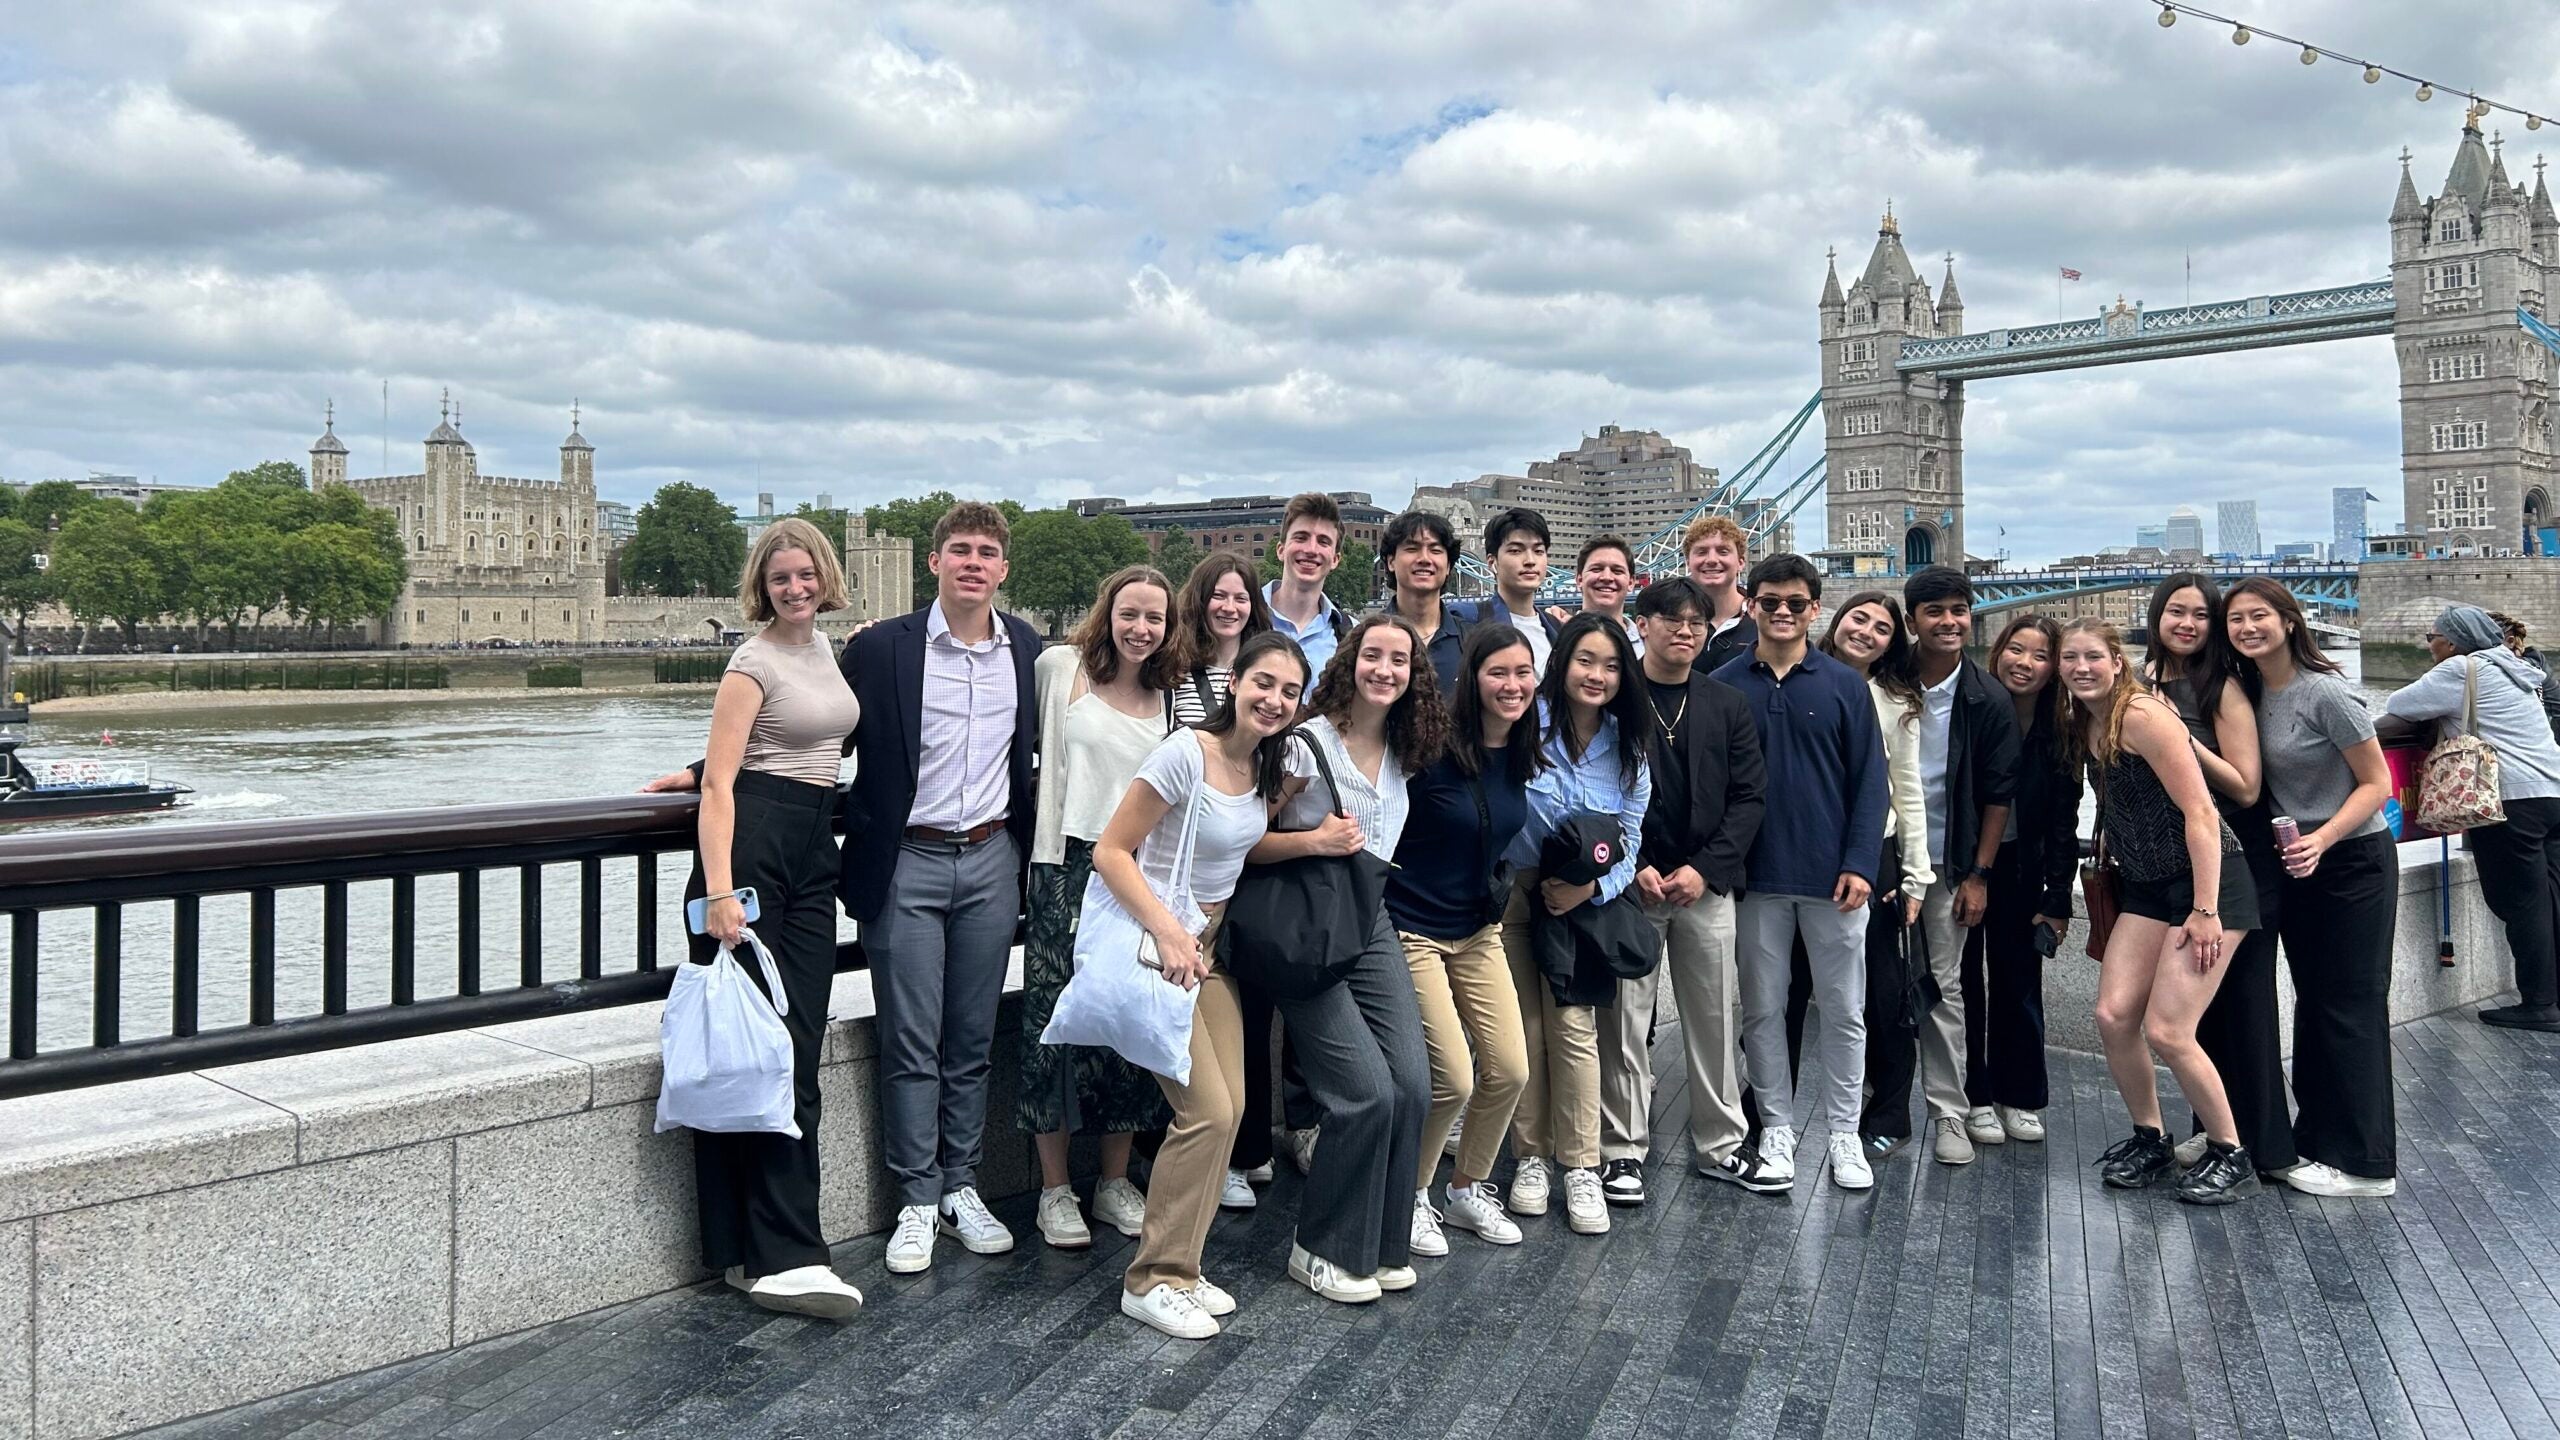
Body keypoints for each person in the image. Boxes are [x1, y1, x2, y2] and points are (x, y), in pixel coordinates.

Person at [644, 502, 1043, 1275]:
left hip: (993, 856)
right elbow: (807, 725)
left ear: (1003, 568)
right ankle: (917, 1200)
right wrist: (702, 773)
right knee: (907, 1039)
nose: (972, 563)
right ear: (933, 562)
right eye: (958, 549)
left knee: (969, 1038)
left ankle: (961, 1184)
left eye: (986, 552)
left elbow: (817, 722)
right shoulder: (881, 647)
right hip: (905, 860)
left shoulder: (1027, 648)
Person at [1098, 632, 1308, 1340]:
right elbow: (1110, 850)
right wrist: (1166, 932)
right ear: (1235, 683)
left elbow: (1243, 848)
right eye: (1264, 683)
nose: (1275, 700)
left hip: (1207, 951)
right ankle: (1152, 1278)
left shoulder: (1261, 768)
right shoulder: (1186, 753)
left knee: (1237, 1105)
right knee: (1209, 1113)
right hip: (1167, 946)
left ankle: (1181, 1265)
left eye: (1289, 691)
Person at [683, 518, 865, 1318]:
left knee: (791, 1046)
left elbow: (809, 740)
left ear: (826, 577)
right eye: (782, 577)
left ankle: (745, 1251)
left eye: (807, 575)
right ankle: (782, 1254)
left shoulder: (825, 649)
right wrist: (721, 891)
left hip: (812, 849)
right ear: (762, 585)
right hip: (752, 854)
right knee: (756, 1055)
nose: (796, 588)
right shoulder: (750, 659)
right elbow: (723, 783)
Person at [1255, 615, 1439, 1296]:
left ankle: (1381, 1243)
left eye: (1399, 660)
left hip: (1369, 919)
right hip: (1305, 931)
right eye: (1373, 656)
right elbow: (1244, 841)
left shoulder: (1402, 749)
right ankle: (1320, 1246)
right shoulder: (1305, 745)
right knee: (1364, 1094)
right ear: (1348, 661)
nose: (1384, 670)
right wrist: (1313, 842)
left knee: (1414, 1086)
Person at [2058, 620, 2262, 1204]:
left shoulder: (2143, 716)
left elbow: (2200, 811)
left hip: (2207, 883)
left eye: (2093, 656)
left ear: (2116, 662)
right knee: (2113, 1016)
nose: (2081, 667)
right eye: (2070, 658)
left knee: (2169, 1030)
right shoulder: (2084, 722)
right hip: (2146, 886)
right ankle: (2150, 1138)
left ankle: (2231, 1152)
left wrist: (2205, 908)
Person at [1712, 554, 1886, 1192]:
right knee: (1761, 1011)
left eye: (1795, 602)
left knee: (1844, 1010)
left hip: (1833, 880)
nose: (1782, 612)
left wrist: (1861, 863)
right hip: (1756, 879)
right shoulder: (1725, 682)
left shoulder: (1844, 685)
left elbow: (1872, 784)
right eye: (1769, 601)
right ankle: (1777, 1128)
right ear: (1751, 604)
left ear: (1816, 610)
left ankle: (1844, 1132)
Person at [1019, 566, 1177, 1249]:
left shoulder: (1171, 695)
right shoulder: (1060, 668)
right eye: (1130, 613)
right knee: (1049, 1024)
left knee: (1127, 1022)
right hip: (1065, 862)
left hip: (1137, 870)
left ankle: (1113, 1181)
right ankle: (1054, 1189)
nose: (1141, 628)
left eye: (1156, 618)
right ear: (1106, 611)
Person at [2226, 578, 2398, 1198]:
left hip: (2351, 862)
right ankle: (2319, 1140)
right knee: (2315, 1005)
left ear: (2291, 622)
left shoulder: (2325, 693)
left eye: (2260, 616)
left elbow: (2378, 784)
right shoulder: (2253, 692)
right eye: (2237, 619)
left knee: (2349, 1008)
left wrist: (2322, 840)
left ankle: (2366, 1163)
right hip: (2301, 866)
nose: (2248, 628)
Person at [1607, 578, 1776, 1198]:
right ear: (1642, 625)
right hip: (1634, 885)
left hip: (1705, 887)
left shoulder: (1725, 702)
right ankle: (1622, 1149)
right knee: (1625, 1022)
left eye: (1696, 623)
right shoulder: (1615, 699)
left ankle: (1721, 1143)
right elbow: (1599, 793)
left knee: (1714, 1018)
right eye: (1671, 620)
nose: (1685, 631)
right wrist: (1637, 863)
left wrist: (1706, 869)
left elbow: (1749, 796)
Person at [1501, 612, 1651, 1234]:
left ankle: (1582, 1163)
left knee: (1573, 1028)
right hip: (1515, 890)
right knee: (1525, 1030)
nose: (1597, 675)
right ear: (1561, 663)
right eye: (1585, 661)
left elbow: (1632, 835)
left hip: (1581, 905)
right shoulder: (1521, 727)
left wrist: (1592, 887)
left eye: (1612, 665)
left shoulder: (1628, 749)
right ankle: (1531, 1158)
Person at [1394, 625, 1543, 1254]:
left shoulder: (1525, 751)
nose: (1512, 686)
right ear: (1471, 680)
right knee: (1451, 1077)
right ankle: (1413, 1198)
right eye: (1497, 674)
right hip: (1413, 927)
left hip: (1478, 928)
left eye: (1522, 673)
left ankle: (1466, 1189)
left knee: (1509, 1069)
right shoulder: (1428, 752)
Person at [2141, 576, 2294, 1175]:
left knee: (2245, 1007)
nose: (2187, 624)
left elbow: (2247, 786)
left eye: (2201, 615)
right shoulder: (2145, 682)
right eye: (2176, 612)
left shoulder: (2222, 687)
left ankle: (2260, 1146)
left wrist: (2176, 738)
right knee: (2207, 1012)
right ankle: (2214, 1133)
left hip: (2235, 858)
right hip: (2177, 863)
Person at [2382, 604, 2560, 1031]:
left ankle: (2539, 1003)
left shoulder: (2462, 668)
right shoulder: (2515, 667)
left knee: (2521, 903)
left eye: (2432, 637)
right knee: (2552, 899)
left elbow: (2399, 703)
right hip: (2552, 791)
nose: (2429, 646)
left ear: (2453, 641)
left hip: (2511, 802)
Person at [1896, 566, 2019, 1166]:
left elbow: (1999, 795)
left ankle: (1948, 1110)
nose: (1949, 622)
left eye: (1959, 610)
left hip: (1948, 864)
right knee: (1873, 988)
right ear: (1912, 619)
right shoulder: (1883, 680)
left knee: (1944, 988)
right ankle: (1880, 1104)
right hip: (1881, 858)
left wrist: (1979, 875)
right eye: (1935, 611)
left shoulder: (1986, 696)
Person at [1814, 591, 1933, 1162]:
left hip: (1875, 855)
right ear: (1836, 621)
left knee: (1884, 992)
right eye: (1857, 618)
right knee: (1789, 989)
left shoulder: (1895, 701)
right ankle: (1764, 1106)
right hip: (1802, 852)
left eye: (1881, 627)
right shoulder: (1798, 676)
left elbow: (1908, 789)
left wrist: (1915, 874)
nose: (1865, 631)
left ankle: (1890, 1110)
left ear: (1893, 642)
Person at [1965, 615, 2080, 1147]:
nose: (2025, 663)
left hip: (2023, 870)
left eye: (2040, 655)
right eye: (2016, 649)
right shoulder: (1972, 709)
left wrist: (2058, 898)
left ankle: (2022, 1095)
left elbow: (2064, 821)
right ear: (1998, 652)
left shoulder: (2063, 730)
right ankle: (1975, 1097)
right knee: (1964, 985)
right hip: (1964, 865)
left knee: (2019, 984)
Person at [1170, 553, 1272, 725]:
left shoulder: (1265, 675)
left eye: (1240, 599)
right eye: (1218, 596)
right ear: (1199, 600)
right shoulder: (1173, 670)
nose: (1229, 608)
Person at [1377, 508, 1469, 693]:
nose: (1424, 559)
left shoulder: (1472, 640)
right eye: (1412, 549)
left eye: (1435, 550)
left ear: (1449, 566)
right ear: (1391, 562)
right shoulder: (1365, 639)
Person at [1459, 508, 1559, 676]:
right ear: (1492, 562)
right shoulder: (1466, 621)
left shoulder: (1559, 630)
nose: (1530, 561)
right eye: (1515, 551)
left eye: (1538, 551)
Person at [1262, 493, 1353, 676]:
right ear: (1280, 550)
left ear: (1335, 559)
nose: (1311, 550)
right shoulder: (1240, 619)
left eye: (1323, 541)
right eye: (1301, 538)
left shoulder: (1352, 636)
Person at [1685, 515, 1756, 674]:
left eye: (1723, 551)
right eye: (1701, 552)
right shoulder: (1671, 623)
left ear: (1741, 563)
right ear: (1688, 562)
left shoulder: (1762, 619)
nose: (1711, 560)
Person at [1567, 536, 1640, 654]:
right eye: (1596, 569)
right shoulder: (1553, 636)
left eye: (1617, 571)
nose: (1607, 577)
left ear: (1631, 583)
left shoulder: (1650, 644)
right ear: (1579, 579)